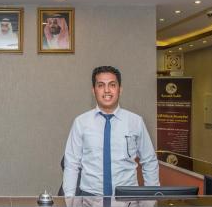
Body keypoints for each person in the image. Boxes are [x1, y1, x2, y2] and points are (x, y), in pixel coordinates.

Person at [63, 66, 159, 197]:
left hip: (127, 198)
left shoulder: (135, 121)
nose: (107, 90)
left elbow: (149, 162)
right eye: (101, 85)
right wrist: (69, 200)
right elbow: (71, 164)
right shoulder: (81, 122)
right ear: (93, 91)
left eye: (112, 85)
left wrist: (151, 199)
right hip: (90, 199)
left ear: (120, 89)